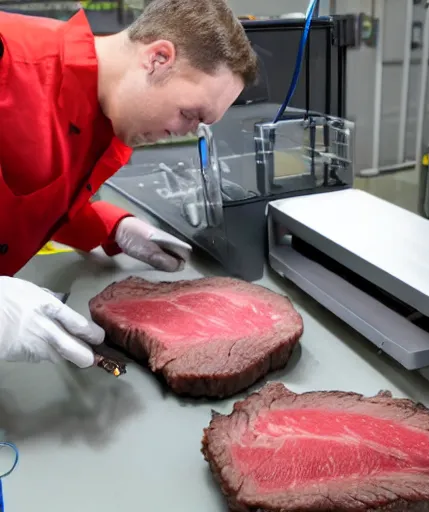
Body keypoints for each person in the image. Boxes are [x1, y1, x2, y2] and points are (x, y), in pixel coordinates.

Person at [0, 0, 258, 369]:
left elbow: (32, 193)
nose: (183, 132)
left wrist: (115, 227)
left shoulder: (105, 117)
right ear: (158, 59)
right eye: (189, 114)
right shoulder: (9, 59)